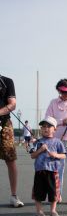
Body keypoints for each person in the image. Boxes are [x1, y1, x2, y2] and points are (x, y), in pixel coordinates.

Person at [45, 79, 67, 205]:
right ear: (59, 90)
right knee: (57, 169)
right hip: (57, 141)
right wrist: (61, 122)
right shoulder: (53, 103)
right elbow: (47, 120)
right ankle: (56, 194)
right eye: (64, 92)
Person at [30, 116, 66, 216]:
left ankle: (53, 210)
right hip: (40, 171)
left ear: (55, 129)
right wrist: (40, 149)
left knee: (53, 192)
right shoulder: (38, 142)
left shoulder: (58, 142)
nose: (45, 129)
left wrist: (56, 155)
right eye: (43, 126)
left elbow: (64, 155)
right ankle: (39, 211)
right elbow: (33, 155)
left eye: (49, 126)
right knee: (38, 192)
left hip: (53, 171)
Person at [0, 74, 24, 207]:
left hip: (4, 124)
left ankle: (14, 195)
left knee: (10, 159)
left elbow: (12, 104)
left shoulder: (7, 81)